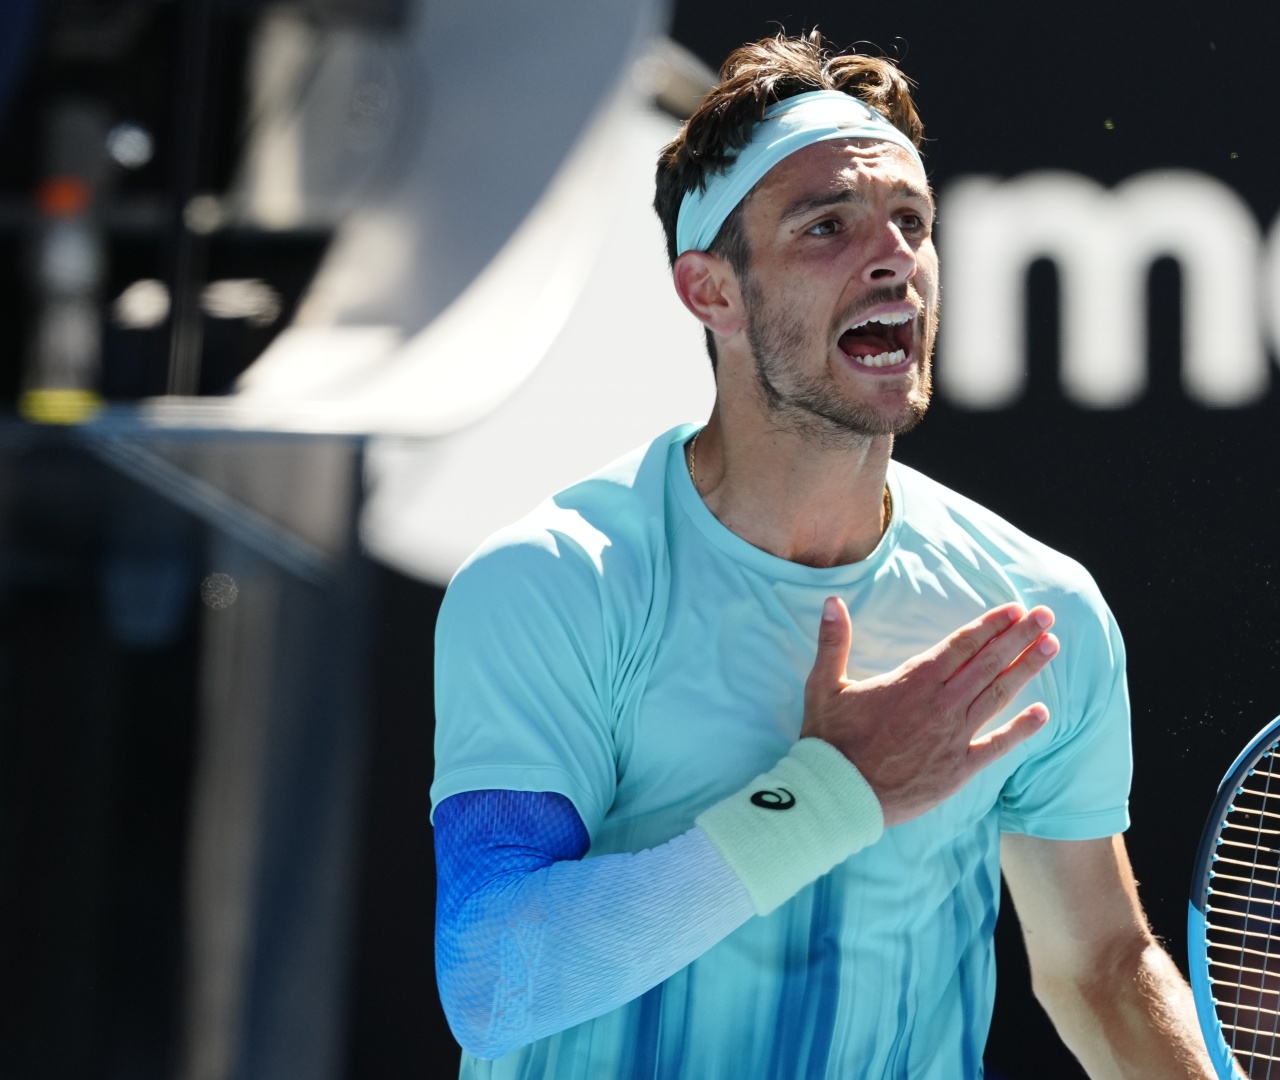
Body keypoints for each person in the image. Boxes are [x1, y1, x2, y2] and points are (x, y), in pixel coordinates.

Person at [427, 32, 1214, 1079]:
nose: (892, 256)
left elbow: (1102, 966)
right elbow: (493, 978)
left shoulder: (1037, 608)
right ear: (711, 292)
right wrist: (833, 795)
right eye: (827, 227)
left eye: (912, 223)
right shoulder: (555, 582)